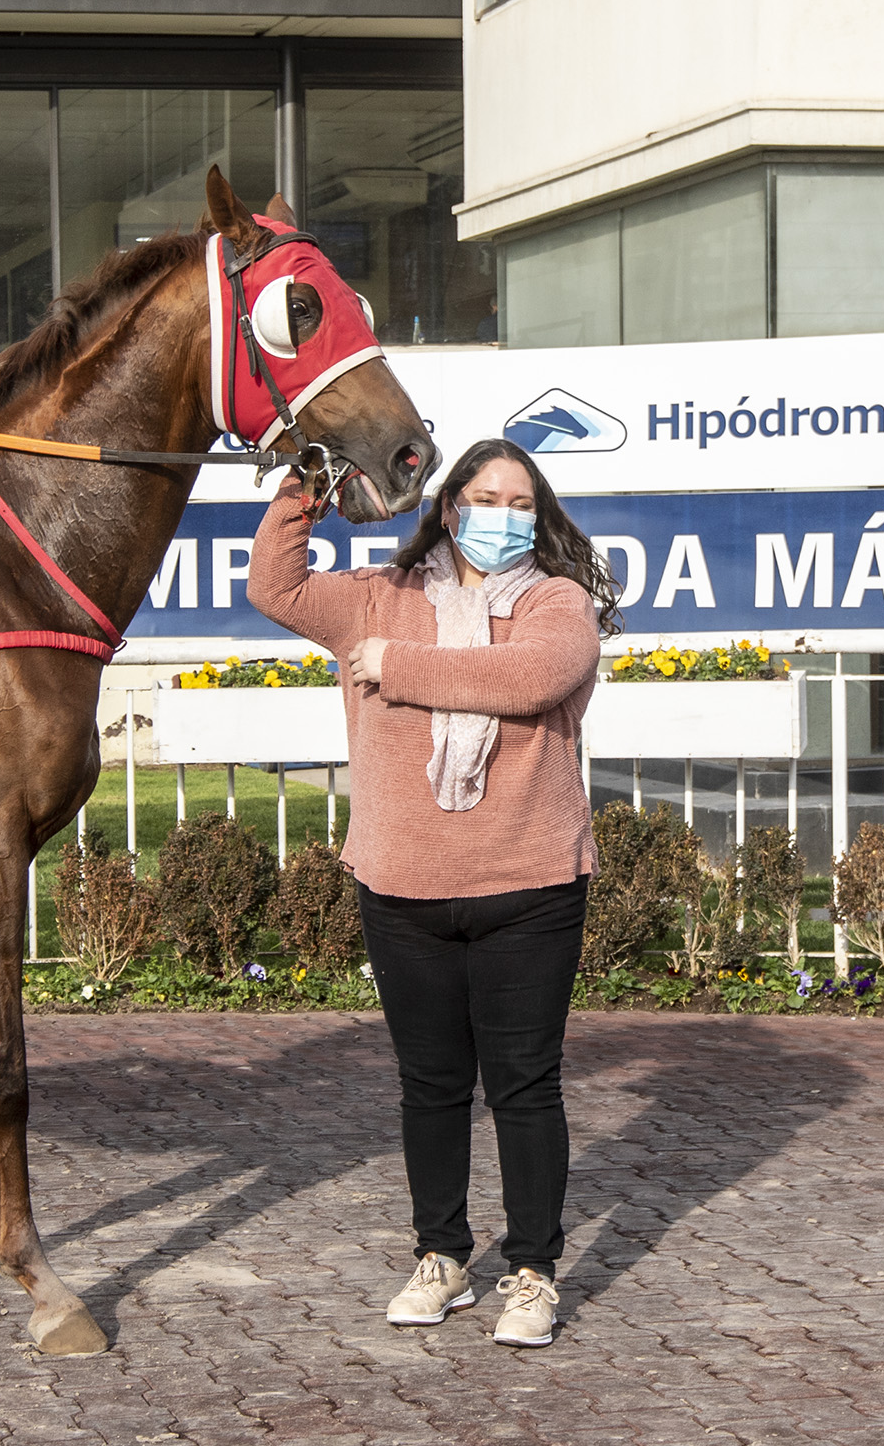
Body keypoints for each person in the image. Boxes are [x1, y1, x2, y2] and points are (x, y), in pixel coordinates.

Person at [246, 438, 621, 1348]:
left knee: (525, 1087)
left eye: (521, 504)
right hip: (403, 886)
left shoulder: (556, 600)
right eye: (486, 499)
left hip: (529, 886)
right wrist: (307, 484)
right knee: (432, 1087)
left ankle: (532, 1272)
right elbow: (276, 587)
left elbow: (531, 679)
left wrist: (392, 664)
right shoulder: (379, 598)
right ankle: (442, 1257)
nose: (504, 517)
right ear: (450, 508)